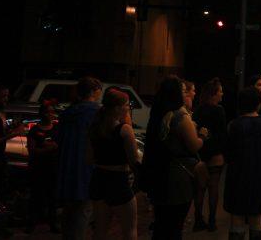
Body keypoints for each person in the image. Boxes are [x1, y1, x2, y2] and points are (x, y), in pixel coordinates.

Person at [141, 76, 204, 239]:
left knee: (161, 224)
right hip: (176, 178)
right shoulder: (180, 117)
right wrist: (202, 136)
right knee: (175, 224)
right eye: (183, 91)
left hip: (158, 175)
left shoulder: (159, 113)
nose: (187, 95)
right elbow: (193, 145)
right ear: (175, 94)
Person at [89, 89, 140, 239]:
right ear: (118, 108)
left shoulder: (95, 128)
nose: (128, 108)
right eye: (127, 105)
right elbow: (134, 160)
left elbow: (88, 158)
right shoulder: (124, 130)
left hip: (98, 180)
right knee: (129, 230)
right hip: (118, 181)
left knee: (100, 229)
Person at [224, 87, 261, 240]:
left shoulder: (234, 125)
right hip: (260, 174)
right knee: (256, 217)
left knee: (237, 218)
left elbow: (228, 152)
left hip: (237, 175)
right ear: (258, 103)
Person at [56, 76, 103, 240]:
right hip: (86, 167)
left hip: (66, 165)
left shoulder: (68, 113)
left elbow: (58, 139)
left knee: (69, 211)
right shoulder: (96, 113)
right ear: (95, 91)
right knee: (83, 211)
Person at [192, 78, 228, 232]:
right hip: (215, 154)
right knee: (213, 188)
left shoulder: (199, 110)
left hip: (201, 152)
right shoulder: (219, 110)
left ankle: (198, 219)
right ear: (214, 94)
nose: (222, 94)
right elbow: (222, 134)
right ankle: (212, 220)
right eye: (220, 91)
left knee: (200, 188)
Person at [26, 100, 60, 233]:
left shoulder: (57, 129)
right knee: (36, 196)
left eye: (52, 112)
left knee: (53, 197)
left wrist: (52, 147)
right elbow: (32, 150)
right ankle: (32, 223)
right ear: (42, 114)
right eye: (48, 112)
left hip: (52, 168)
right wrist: (48, 148)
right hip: (38, 168)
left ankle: (52, 223)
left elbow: (59, 145)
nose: (51, 114)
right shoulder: (35, 130)